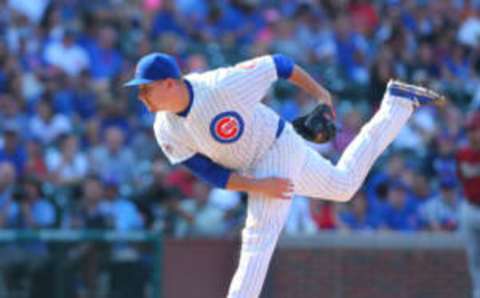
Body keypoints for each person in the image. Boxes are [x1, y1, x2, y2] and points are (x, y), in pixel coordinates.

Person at [124, 52, 444, 298]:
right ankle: (398, 105)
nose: (141, 97)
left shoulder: (220, 85)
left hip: (276, 145)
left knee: (259, 236)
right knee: (344, 186)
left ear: (169, 82)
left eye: (146, 89)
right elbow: (209, 172)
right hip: (255, 165)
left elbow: (279, 64)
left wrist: (322, 95)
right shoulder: (165, 127)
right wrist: (257, 185)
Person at [457, 111, 480, 298]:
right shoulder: (463, 153)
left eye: (476, 130)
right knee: (473, 256)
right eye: (471, 130)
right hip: (470, 206)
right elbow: (463, 176)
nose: (473, 134)